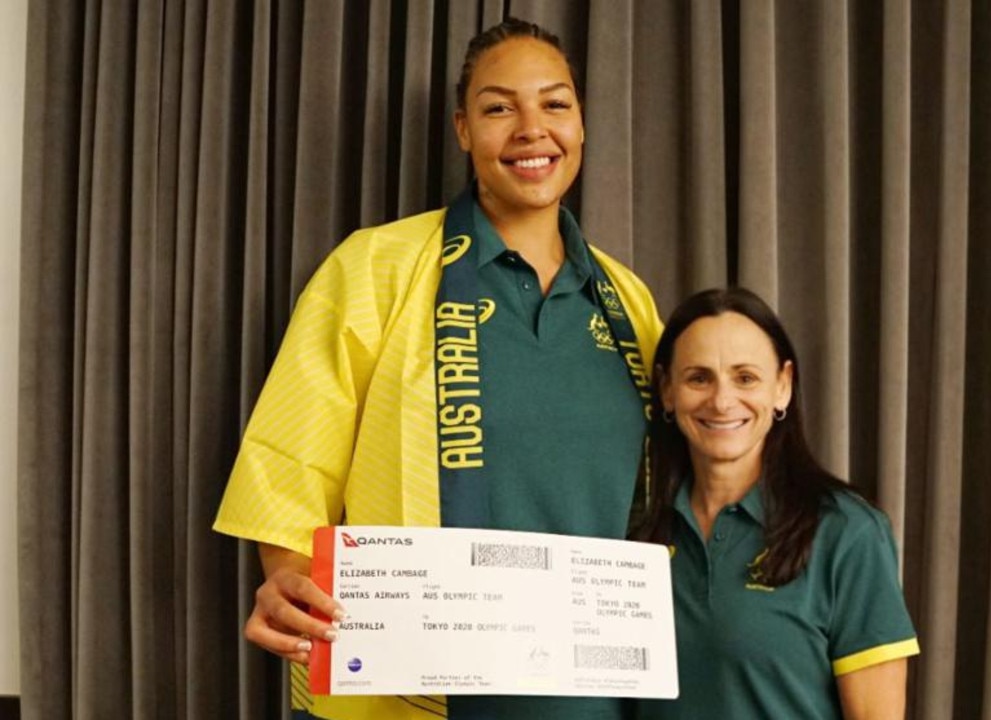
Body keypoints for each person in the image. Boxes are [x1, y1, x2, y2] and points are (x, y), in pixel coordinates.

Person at [214, 18, 662, 720]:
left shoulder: (629, 302)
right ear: (462, 129)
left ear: (581, 122)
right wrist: (291, 584)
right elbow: (291, 464)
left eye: (554, 103)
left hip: (595, 698)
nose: (530, 128)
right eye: (497, 107)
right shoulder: (374, 267)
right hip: (403, 692)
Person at [631, 288, 919, 720]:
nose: (722, 400)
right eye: (699, 378)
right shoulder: (634, 526)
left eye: (745, 377)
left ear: (782, 387)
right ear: (667, 390)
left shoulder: (847, 532)